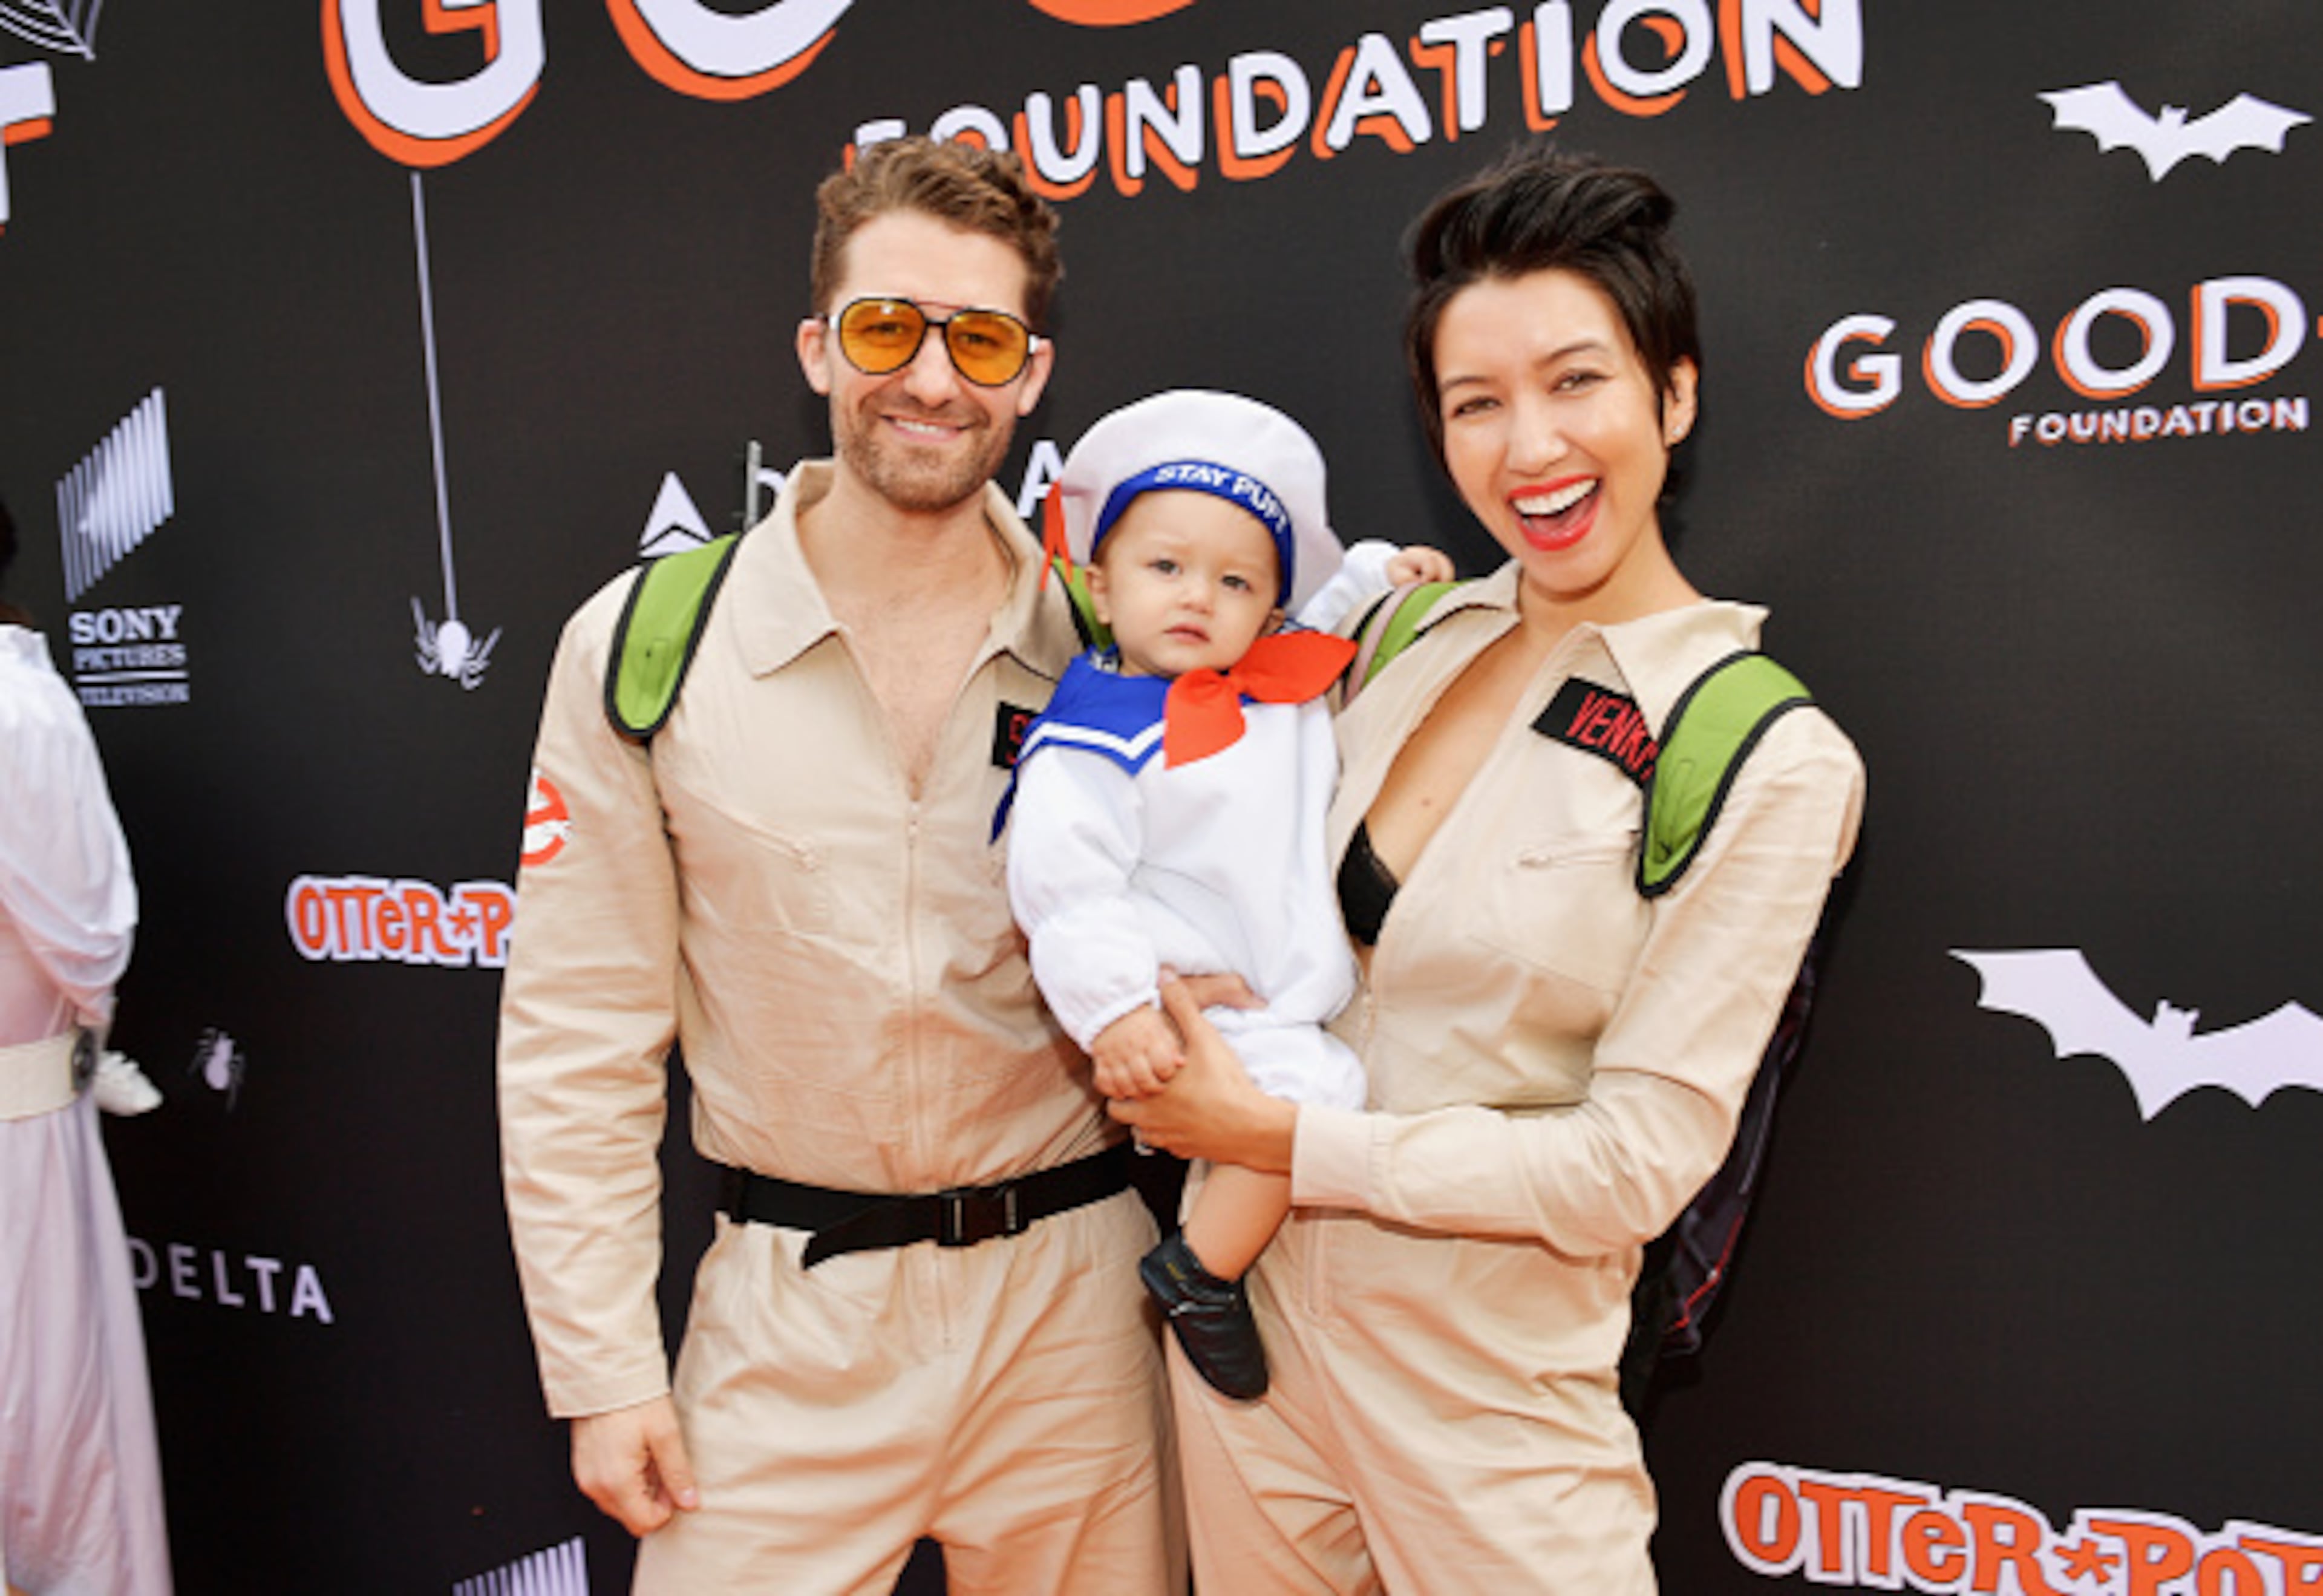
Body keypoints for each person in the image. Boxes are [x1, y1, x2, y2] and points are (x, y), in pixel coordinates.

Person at [1110, 146, 1867, 1593]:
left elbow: (1632, 1163)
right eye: (1477, 403)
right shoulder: (1396, 642)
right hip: (1249, 1350)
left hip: (1493, 1414)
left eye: (1576, 380)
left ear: (1677, 391)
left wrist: (1286, 1143)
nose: (1530, 447)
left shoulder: (1762, 753)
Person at [497, 137, 1180, 1593]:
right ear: (819, 347)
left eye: (980, 338)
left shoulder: (1117, 645)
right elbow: (578, 1037)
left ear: (1032, 375)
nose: (932, 379)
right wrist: (604, 1366)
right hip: (784, 1320)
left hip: (1076, 1323)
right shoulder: (643, 646)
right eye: (888, 327)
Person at [1002, 391, 1450, 1402]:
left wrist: (1380, 573)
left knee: (1325, 1096)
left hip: (1283, 986)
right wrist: (1115, 1010)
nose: (1198, 597)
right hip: (1203, 1006)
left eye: (1235, 580)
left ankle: (1209, 1260)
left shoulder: (1274, 680)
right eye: (1165, 568)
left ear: (1266, 608)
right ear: (1100, 586)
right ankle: (1201, 1269)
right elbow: (1064, 893)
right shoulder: (1095, 737)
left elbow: (1328, 613)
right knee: (1311, 1102)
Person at [0, 490, 175, 1596]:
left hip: (23, 1123)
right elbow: (89, 939)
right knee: (60, 1477)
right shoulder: (18, 711)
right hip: (18, 1152)